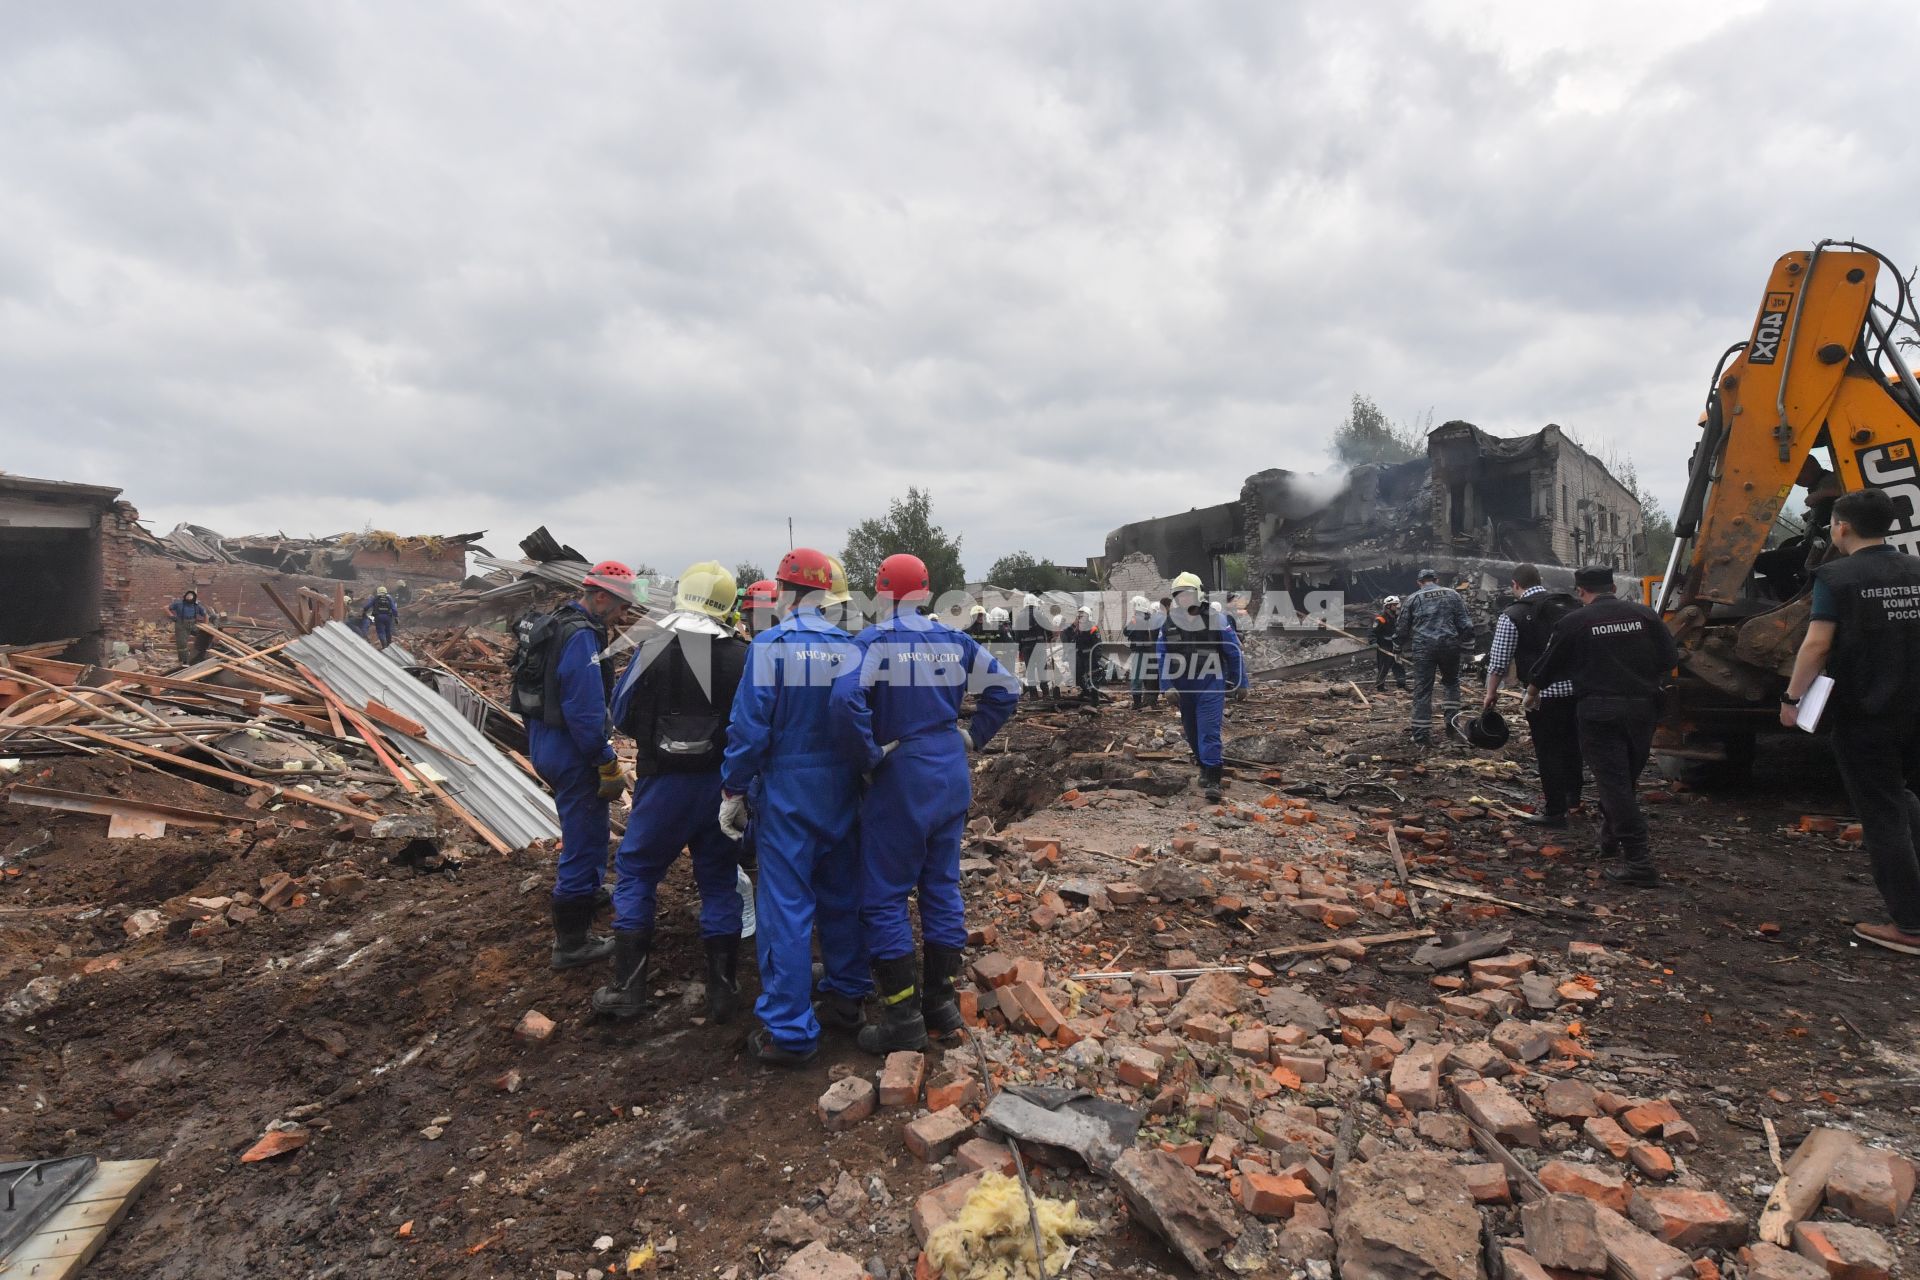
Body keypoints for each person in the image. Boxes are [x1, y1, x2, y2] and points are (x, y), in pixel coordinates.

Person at [832, 553, 1019, 1053]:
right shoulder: (953, 639)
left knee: (886, 894)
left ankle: (902, 1018)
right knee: (940, 884)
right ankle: (940, 1002)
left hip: (901, 775)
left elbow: (843, 700)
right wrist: (971, 736)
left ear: (880, 591)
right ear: (927, 590)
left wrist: (867, 754)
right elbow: (1007, 687)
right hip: (949, 773)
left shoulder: (873, 640)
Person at [718, 548, 868, 1063]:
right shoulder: (849, 647)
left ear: (783, 592)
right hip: (842, 788)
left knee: (785, 907)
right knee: (841, 895)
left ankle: (790, 1032)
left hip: (788, 789)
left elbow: (747, 729)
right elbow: (861, 718)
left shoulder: (769, 646)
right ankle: (849, 997)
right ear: (825, 594)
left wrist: (733, 788)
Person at [593, 562, 749, 1020]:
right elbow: (757, 723)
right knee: (719, 882)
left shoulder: (652, 648)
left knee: (638, 873)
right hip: (721, 790)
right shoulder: (743, 657)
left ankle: (628, 988)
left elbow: (619, 712)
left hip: (662, 785)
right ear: (728, 605)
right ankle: (723, 991)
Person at [1782, 489, 1920, 954]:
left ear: (1840, 527)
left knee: (1883, 816)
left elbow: (1817, 645)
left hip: (1867, 715)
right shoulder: (1918, 569)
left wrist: (1792, 697)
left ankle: (1909, 925)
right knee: (1905, 800)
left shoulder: (1836, 577)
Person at [515, 562, 638, 970]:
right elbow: (584, 711)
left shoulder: (555, 623)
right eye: (621, 606)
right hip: (572, 749)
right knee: (584, 840)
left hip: (546, 742)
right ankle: (571, 943)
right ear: (600, 596)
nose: (623, 617)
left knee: (590, 826)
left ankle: (588, 891)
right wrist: (605, 761)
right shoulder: (582, 637)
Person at [1526, 565, 1677, 888]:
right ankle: (1609, 839)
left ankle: (1638, 860)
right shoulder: (1645, 615)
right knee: (1626, 778)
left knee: (1614, 784)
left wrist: (1532, 692)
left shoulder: (1575, 621)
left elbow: (1548, 666)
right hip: (1643, 709)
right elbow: (1669, 659)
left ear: (1581, 591)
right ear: (1612, 586)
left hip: (1599, 711)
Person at [1484, 565, 1582, 827]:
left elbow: (1499, 660)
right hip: (1580, 691)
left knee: (1548, 750)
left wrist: (1491, 693)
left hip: (1542, 695)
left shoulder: (1513, 614)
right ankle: (1574, 797)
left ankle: (1554, 811)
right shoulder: (1568, 606)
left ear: (1516, 584)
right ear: (1540, 580)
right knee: (1574, 744)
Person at [1157, 572, 1243, 802]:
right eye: (1179, 594)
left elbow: (1233, 652)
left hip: (1210, 683)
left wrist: (1241, 681)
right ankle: (1203, 765)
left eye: (1188, 593)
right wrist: (1167, 686)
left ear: (1198, 594)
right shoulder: (1169, 623)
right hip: (1184, 687)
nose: (1184, 598)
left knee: (1208, 730)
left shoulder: (1218, 620)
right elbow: (1162, 655)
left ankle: (1214, 777)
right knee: (1192, 731)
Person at [1396, 568, 1474, 746]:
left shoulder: (1413, 598)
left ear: (1419, 582)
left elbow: (1401, 628)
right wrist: (1468, 652)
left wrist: (1396, 647)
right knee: (1452, 684)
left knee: (1423, 690)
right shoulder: (1453, 595)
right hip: (1450, 647)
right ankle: (1453, 728)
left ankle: (1421, 736)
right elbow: (1467, 625)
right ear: (1436, 580)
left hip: (1424, 649)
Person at [1123, 596, 1161, 710]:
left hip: (1139, 651)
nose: (1133, 608)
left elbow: (1126, 631)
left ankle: (1137, 703)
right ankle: (1150, 701)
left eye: (1134, 606)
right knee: (1149, 677)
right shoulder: (1149, 618)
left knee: (1136, 677)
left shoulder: (1136, 619)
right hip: (1150, 651)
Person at [167, 590, 213, 666]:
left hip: (193, 624)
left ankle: (202, 655)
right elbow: (166, 608)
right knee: (182, 643)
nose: (189, 598)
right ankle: (184, 661)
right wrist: (171, 616)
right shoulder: (179, 603)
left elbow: (206, 615)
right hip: (181, 624)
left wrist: (206, 626)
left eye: (191, 597)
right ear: (185, 597)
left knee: (205, 635)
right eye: (188, 596)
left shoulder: (196, 605)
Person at [1371, 597, 1408, 692]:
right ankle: (1380, 686)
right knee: (1384, 666)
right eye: (1395, 605)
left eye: (1397, 604)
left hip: (1395, 645)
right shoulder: (1381, 619)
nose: (1397, 607)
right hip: (1385, 646)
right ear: (1388, 606)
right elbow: (1372, 632)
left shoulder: (1397, 618)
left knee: (1399, 664)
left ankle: (1401, 685)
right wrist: (1373, 642)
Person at [1070, 607, 1103, 704]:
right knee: (1078, 676)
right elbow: (1074, 640)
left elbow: (1098, 644)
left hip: (1090, 657)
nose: (1080, 617)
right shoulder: (1078, 628)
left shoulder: (1093, 628)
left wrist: (1097, 658)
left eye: (1082, 615)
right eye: (1079, 616)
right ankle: (1086, 691)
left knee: (1093, 677)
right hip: (1080, 657)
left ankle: (1094, 698)